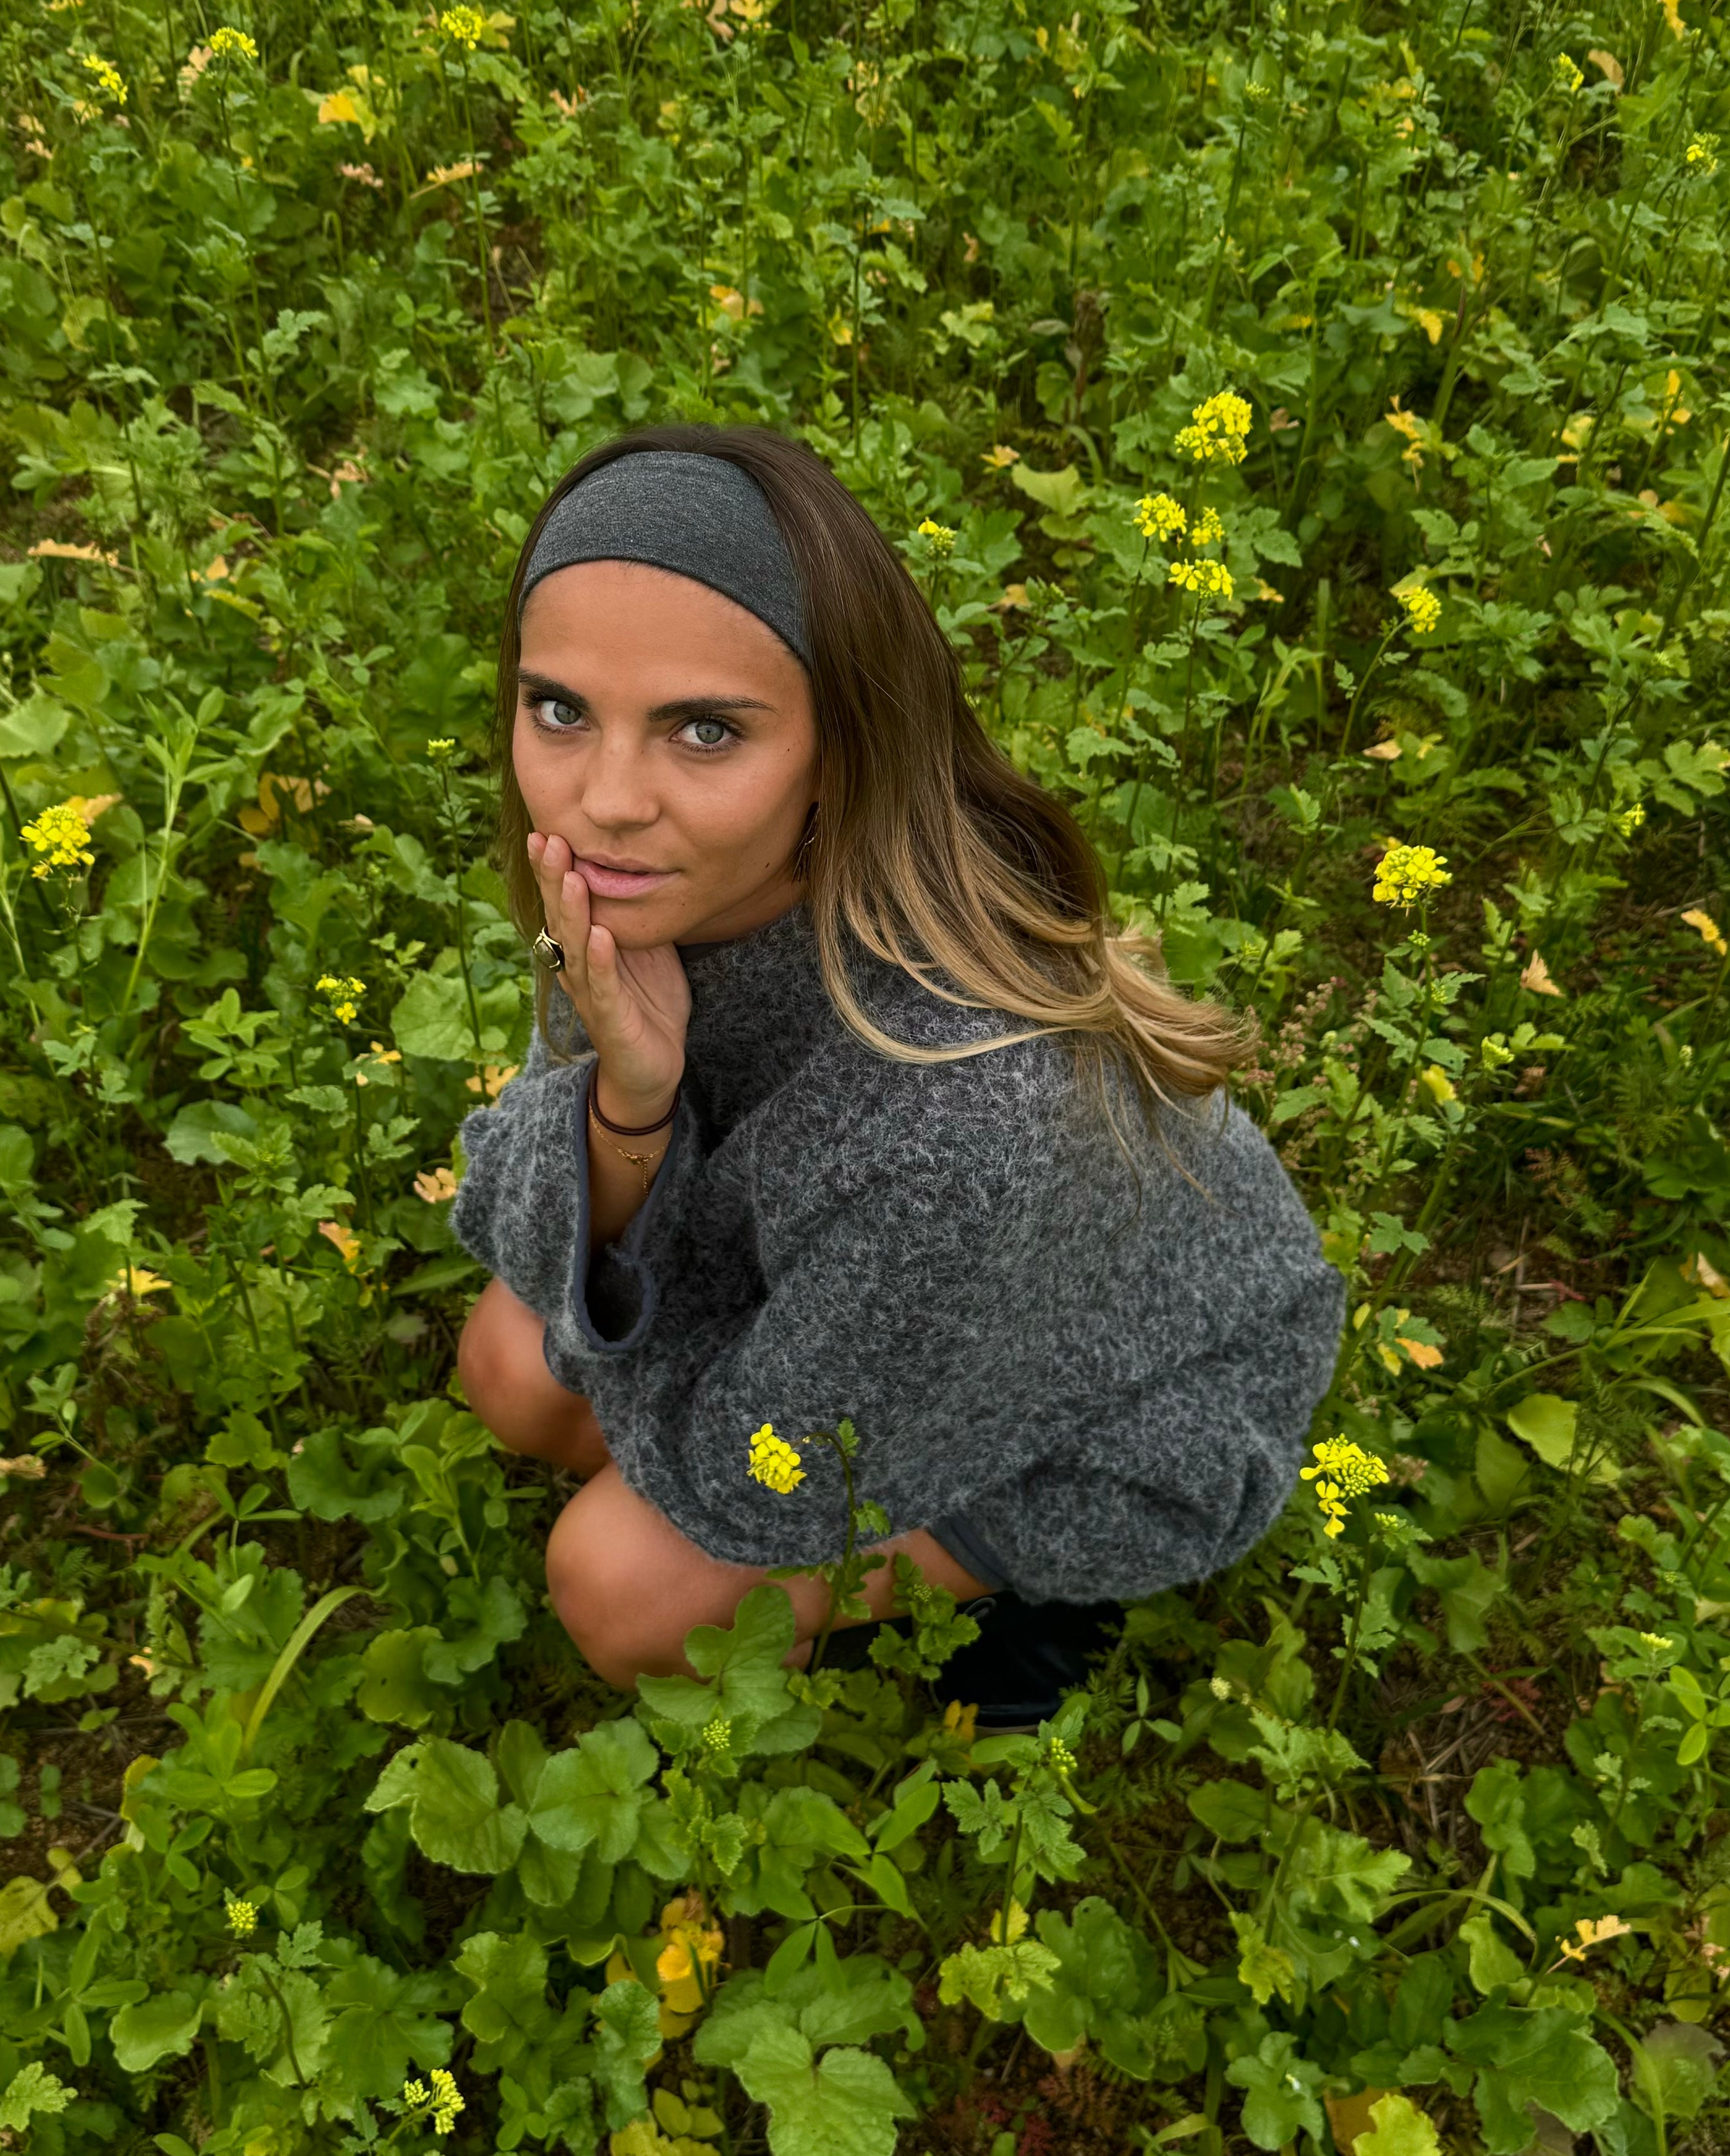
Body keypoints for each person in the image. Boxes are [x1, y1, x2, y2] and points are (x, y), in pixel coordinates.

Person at [448, 426, 1344, 1721]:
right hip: (873, 1290)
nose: (608, 798)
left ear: (843, 745)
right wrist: (630, 1105)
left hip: (1111, 1411)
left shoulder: (952, 1114)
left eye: (705, 728)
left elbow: (757, 1483)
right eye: (560, 709)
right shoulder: (664, 881)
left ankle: (1018, 1619)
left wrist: (626, 1329)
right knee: (510, 1360)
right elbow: (520, 1236)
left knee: (616, 1580)